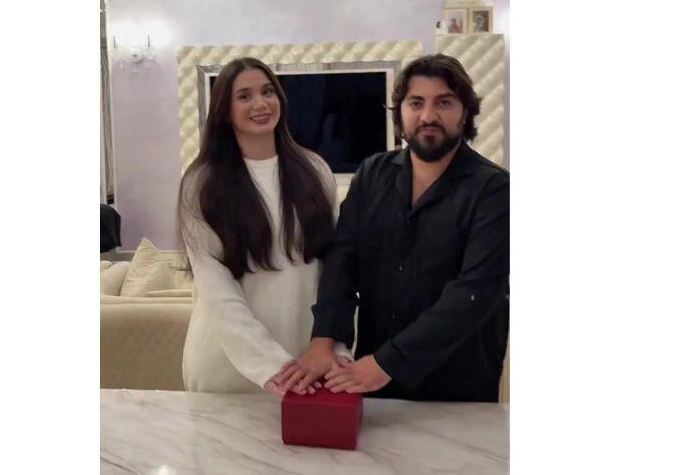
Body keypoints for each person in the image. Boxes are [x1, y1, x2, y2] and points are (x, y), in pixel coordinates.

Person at [274, 54, 509, 401]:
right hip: (372, 382)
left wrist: (387, 363)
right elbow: (343, 259)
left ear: (466, 112)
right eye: (416, 103)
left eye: (444, 102)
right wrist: (324, 339)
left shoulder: (495, 190)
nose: (428, 116)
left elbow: (474, 292)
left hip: (457, 384)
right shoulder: (372, 174)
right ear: (399, 112)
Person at [178, 57, 353, 397]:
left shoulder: (315, 170)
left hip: (306, 362)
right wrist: (271, 366)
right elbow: (217, 291)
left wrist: (334, 345)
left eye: (268, 92)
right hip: (227, 371)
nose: (260, 103)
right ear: (224, 111)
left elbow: (333, 270)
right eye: (244, 96)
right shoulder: (201, 184)